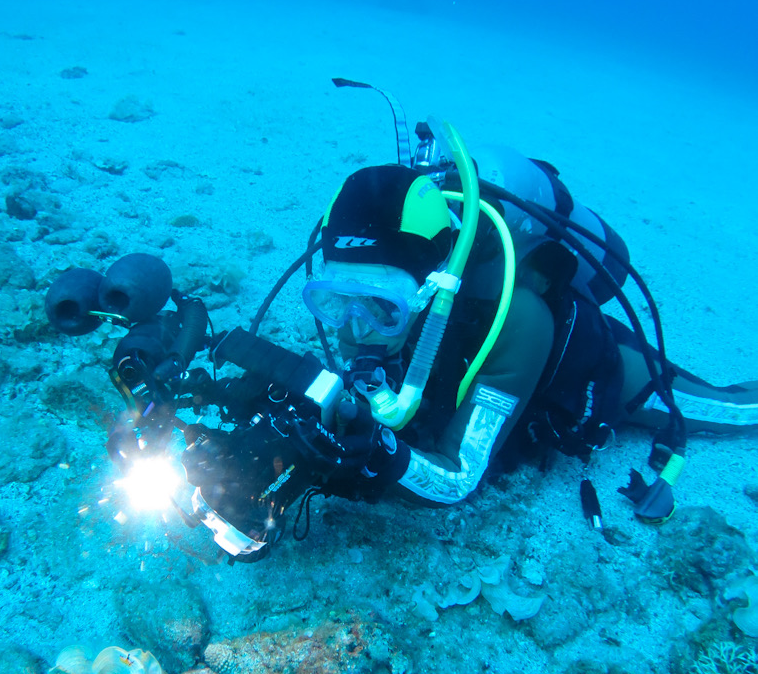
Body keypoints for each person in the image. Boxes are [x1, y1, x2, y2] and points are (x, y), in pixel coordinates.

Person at [294, 135, 758, 523]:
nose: (356, 328)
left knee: (734, 411)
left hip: (608, 376)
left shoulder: (518, 320)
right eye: (334, 299)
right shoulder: (362, 315)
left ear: (431, 289)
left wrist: (382, 453)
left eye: (381, 305)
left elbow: (458, 479)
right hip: (457, 364)